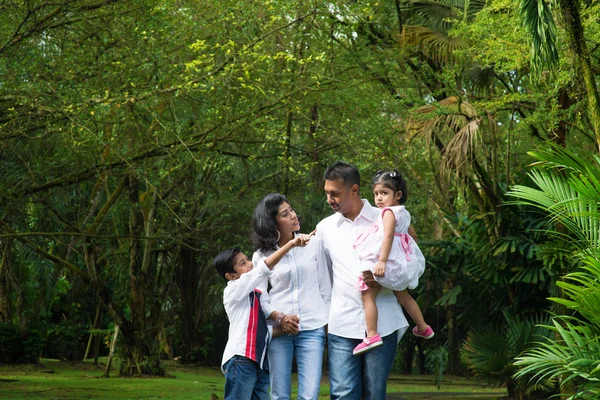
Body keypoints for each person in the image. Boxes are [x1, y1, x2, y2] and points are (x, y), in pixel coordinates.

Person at [316, 161, 408, 400]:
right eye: (327, 193)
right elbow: (324, 280)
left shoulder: (388, 218)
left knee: (374, 394)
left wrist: (386, 279)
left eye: (335, 193)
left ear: (354, 190)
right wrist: (326, 319)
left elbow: (412, 265)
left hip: (384, 324)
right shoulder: (325, 228)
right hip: (342, 325)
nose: (329, 199)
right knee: (343, 393)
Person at [251, 193, 332, 400]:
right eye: (285, 214)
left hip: (312, 327)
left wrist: (328, 324)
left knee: (310, 395)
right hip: (279, 330)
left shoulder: (314, 244)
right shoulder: (262, 255)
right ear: (273, 223)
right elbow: (260, 297)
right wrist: (280, 318)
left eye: (292, 210)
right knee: (279, 394)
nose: (294, 216)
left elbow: (325, 287)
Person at [214, 233, 313, 400]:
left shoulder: (255, 295)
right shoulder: (233, 291)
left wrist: (288, 323)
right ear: (231, 276)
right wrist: (290, 245)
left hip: (259, 362)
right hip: (241, 359)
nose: (250, 264)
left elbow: (263, 331)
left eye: (247, 259)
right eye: (243, 263)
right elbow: (262, 269)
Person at [352, 169, 433, 356]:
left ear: (397, 195)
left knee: (367, 295)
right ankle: (423, 326)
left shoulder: (388, 212)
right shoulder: (404, 213)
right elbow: (413, 235)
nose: (379, 198)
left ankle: (371, 334)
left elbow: (388, 235)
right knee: (403, 296)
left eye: (384, 193)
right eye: (376, 194)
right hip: (399, 262)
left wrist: (382, 261)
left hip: (386, 261)